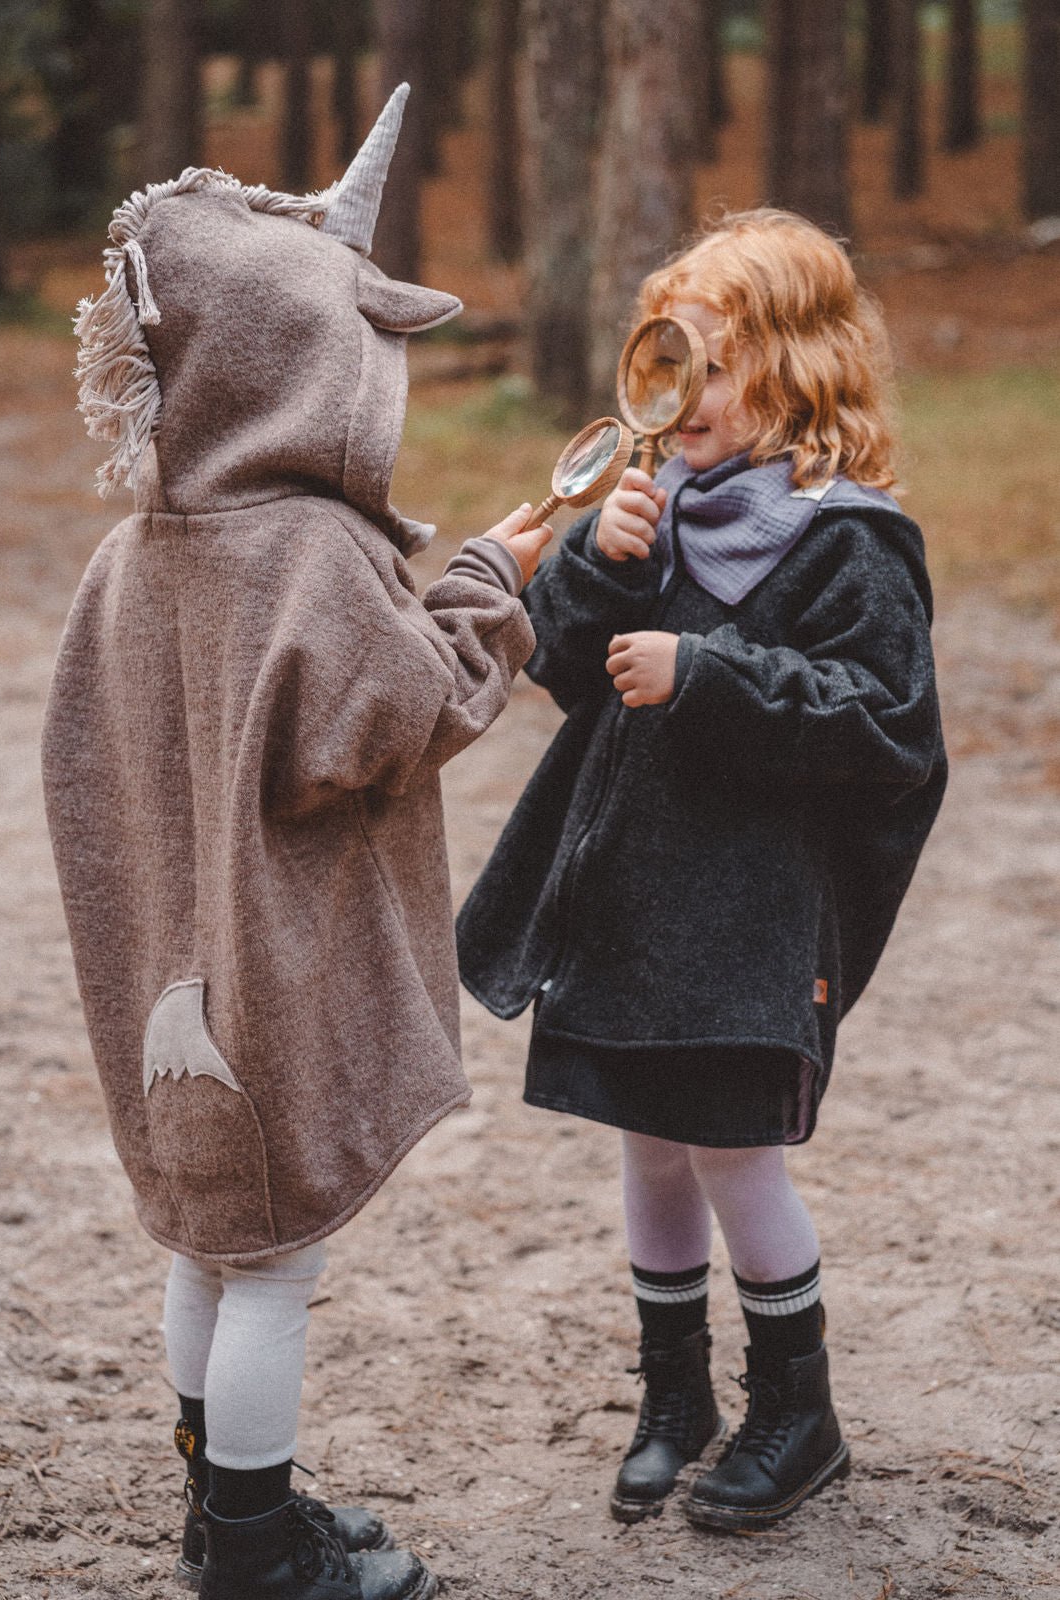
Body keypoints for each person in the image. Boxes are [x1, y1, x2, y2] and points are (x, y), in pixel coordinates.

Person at [41, 86, 551, 1600]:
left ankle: (227, 1512)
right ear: (310, 359)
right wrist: (484, 582)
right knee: (276, 1262)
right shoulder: (309, 549)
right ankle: (257, 1558)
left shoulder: (138, 553)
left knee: (209, 1240)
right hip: (272, 966)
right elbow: (397, 717)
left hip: (169, 978)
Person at [457, 208, 947, 1533]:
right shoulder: (658, 510)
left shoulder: (848, 539)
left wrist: (712, 674)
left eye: (711, 369)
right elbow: (565, 674)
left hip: (753, 917)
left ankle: (800, 1409)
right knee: (653, 1152)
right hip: (631, 895)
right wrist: (601, 571)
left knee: (735, 1157)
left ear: (799, 372)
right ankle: (675, 1399)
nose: (679, 401)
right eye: (665, 364)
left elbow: (891, 726)